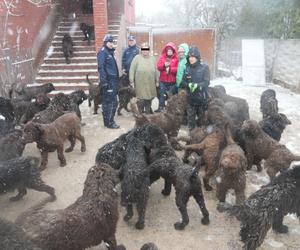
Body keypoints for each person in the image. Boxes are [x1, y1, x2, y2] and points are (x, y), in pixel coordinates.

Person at [181, 46, 210, 131]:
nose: (191, 59)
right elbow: (182, 82)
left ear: (197, 57)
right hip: (190, 99)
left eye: (193, 57)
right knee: (191, 124)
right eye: (189, 57)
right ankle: (191, 139)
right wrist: (188, 85)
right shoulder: (187, 68)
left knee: (202, 123)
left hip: (202, 99)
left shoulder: (204, 67)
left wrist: (197, 85)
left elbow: (207, 82)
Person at [97, 34, 120, 129]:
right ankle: (109, 122)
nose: (111, 44)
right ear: (105, 42)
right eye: (109, 42)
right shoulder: (103, 52)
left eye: (112, 42)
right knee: (110, 103)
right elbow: (101, 67)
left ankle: (109, 121)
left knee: (112, 102)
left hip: (113, 82)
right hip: (108, 82)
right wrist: (104, 81)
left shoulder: (109, 52)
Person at [129, 42, 158, 114]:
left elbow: (157, 70)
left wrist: (157, 80)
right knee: (141, 100)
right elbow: (132, 69)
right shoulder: (137, 58)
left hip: (150, 83)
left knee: (149, 99)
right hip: (140, 83)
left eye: (146, 49)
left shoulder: (153, 58)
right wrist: (131, 81)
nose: (145, 51)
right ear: (141, 50)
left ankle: (147, 114)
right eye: (143, 49)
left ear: (149, 50)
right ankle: (140, 114)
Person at [156, 42, 178, 112]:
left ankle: (170, 109)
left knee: (171, 96)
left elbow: (178, 69)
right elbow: (158, 67)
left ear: (173, 51)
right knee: (162, 95)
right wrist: (164, 66)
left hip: (172, 81)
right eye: (168, 50)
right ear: (166, 51)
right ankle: (161, 108)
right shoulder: (162, 58)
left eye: (171, 50)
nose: (169, 52)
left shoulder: (177, 59)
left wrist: (171, 69)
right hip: (163, 81)